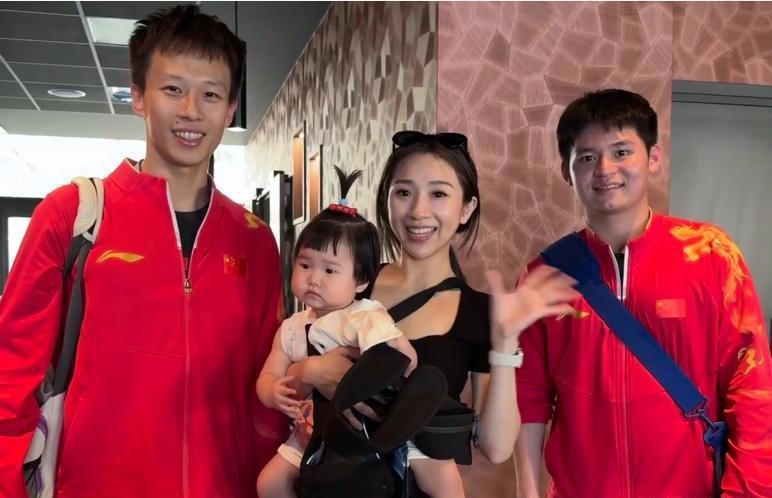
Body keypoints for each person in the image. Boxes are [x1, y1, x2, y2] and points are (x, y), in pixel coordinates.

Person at [0, 6, 286, 498]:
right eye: (173, 88)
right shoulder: (72, 215)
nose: (191, 110)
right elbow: (10, 374)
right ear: (137, 96)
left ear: (231, 109)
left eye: (211, 94)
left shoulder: (254, 241)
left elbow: (266, 395)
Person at [286, 131, 580, 497]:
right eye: (403, 192)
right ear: (387, 199)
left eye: (438, 194)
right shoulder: (351, 282)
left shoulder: (480, 311)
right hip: (333, 483)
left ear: (466, 208)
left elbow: (496, 448)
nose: (418, 211)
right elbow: (292, 363)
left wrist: (505, 342)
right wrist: (310, 371)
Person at [514, 88, 772, 497]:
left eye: (621, 152)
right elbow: (528, 403)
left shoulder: (709, 255)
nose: (605, 169)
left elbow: (751, 386)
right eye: (587, 157)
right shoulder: (543, 277)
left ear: (653, 157)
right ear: (567, 171)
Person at [255, 171, 429, 497]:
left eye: (330, 270)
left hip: (368, 427)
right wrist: (272, 392)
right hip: (312, 432)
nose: (314, 278)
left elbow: (406, 359)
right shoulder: (291, 328)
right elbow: (268, 376)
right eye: (305, 265)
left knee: (436, 473)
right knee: (270, 483)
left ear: (360, 281)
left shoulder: (364, 317)